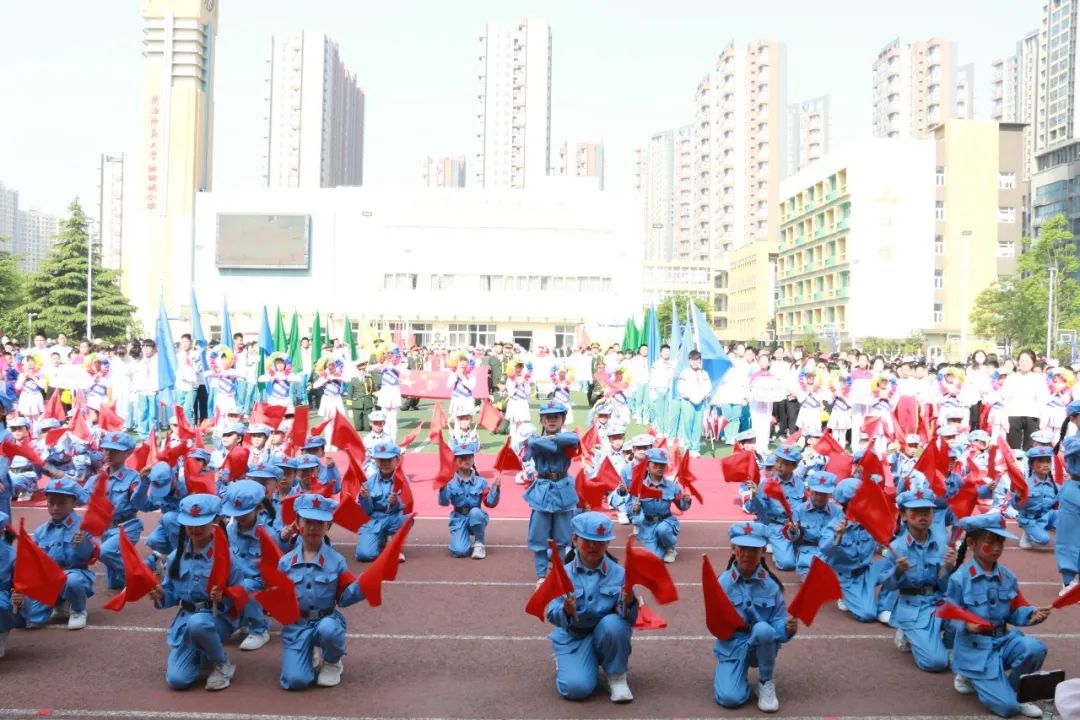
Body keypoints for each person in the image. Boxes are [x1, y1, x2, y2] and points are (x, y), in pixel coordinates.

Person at [946, 512, 1052, 718]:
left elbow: (1014, 611)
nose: (996, 548)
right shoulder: (960, 579)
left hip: (1002, 642)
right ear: (972, 543)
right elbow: (950, 613)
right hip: (974, 650)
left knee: (1035, 648)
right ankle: (969, 676)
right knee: (1008, 708)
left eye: (1000, 542)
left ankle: (1016, 691)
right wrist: (967, 626)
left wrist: (1031, 615)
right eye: (990, 542)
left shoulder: (1007, 577)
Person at [147, 494, 245, 691]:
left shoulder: (225, 557)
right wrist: (160, 595)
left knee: (198, 623)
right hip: (187, 622)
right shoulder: (176, 557)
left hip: (217, 619)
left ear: (216, 521)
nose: (194, 528)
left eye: (201, 523)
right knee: (177, 680)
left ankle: (222, 662)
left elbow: (241, 595)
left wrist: (224, 595)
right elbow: (172, 594)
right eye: (189, 523)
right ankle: (204, 652)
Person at [544, 511, 637, 703]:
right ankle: (575, 661)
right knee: (576, 689)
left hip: (605, 634)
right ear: (575, 539)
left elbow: (629, 620)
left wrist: (629, 603)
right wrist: (566, 611)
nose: (593, 546)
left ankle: (617, 676)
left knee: (615, 624)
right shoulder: (562, 574)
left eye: (600, 541)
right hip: (573, 637)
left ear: (608, 543)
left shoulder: (620, 574)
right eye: (587, 540)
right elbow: (551, 613)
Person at [278, 493, 368, 690]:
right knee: (296, 681)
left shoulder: (336, 561)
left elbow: (344, 597)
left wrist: (366, 585)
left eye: (319, 523)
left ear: (329, 526)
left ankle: (332, 661)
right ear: (297, 523)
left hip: (324, 620)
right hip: (297, 627)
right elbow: (279, 597)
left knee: (329, 628)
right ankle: (305, 651)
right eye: (308, 522)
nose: (312, 528)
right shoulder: (285, 563)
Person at [712, 521, 797, 713]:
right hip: (732, 645)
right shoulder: (721, 583)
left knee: (764, 629)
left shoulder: (771, 585)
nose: (748, 554)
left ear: (763, 552)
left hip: (762, 643)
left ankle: (765, 681)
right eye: (743, 548)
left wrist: (786, 628)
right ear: (734, 549)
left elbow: (776, 618)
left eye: (754, 549)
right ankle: (734, 675)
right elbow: (715, 622)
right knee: (730, 699)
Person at [878, 489, 956, 673]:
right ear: (903, 516)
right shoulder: (896, 547)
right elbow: (888, 585)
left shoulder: (941, 546)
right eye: (916, 511)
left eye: (927, 511)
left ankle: (946, 644)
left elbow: (946, 588)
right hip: (912, 608)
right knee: (936, 663)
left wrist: (949, 569)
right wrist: (897, 571)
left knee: (969, 614)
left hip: (937, 603)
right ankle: (909, 634)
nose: (923, 515)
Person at [17, 477, 96, 631]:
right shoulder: (41, 531)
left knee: (73, 581)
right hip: (50, 578)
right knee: (31, 618)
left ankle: (78, 610)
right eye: (51, 502)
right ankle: (59, 603)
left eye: (62, 503)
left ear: (74, 503)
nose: (55, 508)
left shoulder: (83, 526)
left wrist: (82, 544)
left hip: (75, 572)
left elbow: (89, 556)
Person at [523, 400, 580, 583]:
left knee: (562, 538)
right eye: (548, 417)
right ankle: (541, 577)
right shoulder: (535, 440)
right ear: (542, 421)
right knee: (538, 537)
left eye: (556, 417)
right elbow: (532, 444)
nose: (552, 420)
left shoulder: (567, 437)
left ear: (563, 419)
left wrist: (553, 439)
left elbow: (574, 439)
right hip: (542, 491)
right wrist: (551, 442)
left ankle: (560, 576)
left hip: (563, 489)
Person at [92, 432, 153, 590]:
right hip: (106, 529)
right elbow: (82, 496)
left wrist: (144, 483)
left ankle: (139, 574)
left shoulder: (133, 477)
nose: (109, 454)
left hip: (126, 526)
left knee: (104, 552)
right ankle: (149, 564)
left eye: (115, 451)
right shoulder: (98, 477)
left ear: (128, 453)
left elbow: (139, 502)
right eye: (106, 450)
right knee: (114, 584)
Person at [819, 478, 885, 624]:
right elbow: (826, 549)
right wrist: (838, 536)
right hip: (847, 577)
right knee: (867, 615)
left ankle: (885, 606)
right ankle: (842, 594)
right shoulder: (837, 524)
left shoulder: (869, 522)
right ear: (847, 504)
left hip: (867, 571)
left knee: (901, 564)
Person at [222, 479, 274, 652]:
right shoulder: (229, 530)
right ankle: (241, 621)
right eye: (236, 512)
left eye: (244, 513)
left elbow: (275, 565)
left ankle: (260, 629)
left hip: (259, 582)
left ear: (258, 508)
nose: (239, 517)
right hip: (236, 578)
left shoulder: (267, 534)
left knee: (246, 587)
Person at [437, 441, 500, 559]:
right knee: (460, 551)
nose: (466, 460)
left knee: (475, 512)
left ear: (473, 459)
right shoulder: (450, 483)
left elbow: (490, 503)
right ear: (455, 460)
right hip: (459, 518)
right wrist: (442, 487)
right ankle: (461, 539)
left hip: (476, 517)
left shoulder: (481, 481)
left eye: (469, 456)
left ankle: (479, 543)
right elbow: (444, 503)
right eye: (462, 457)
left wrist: (495, 489)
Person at [746, 445, 804, 571]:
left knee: (816, 557)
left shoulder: (800, 484)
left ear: (794, 466)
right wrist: (755, 496)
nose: (779, 465)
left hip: (797, 527)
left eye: (785, 463)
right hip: (778, 527)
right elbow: (758, 510)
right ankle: (774, 545)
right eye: (778, 461)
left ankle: (787, 549)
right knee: (788, 564)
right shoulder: (766, 484)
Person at [629, 448, 691, 563]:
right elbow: (632, 510)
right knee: (653, 559)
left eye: (663, 464)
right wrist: (635, 509)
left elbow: (682, 506)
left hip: (666, 522)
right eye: (656, 464)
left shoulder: (672, 486)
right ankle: (658, 545)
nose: (660, 467)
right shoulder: (639, 487)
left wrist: (687, 501)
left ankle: (670, 548)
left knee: (662, 530)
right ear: (647, 466)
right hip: (649, 525)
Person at [354, 442, 408, 562]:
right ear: (375, 461)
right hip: (374, 519)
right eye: (381, 460)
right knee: (365, 555)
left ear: (397, 460)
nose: (385, 463)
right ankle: (380, 539)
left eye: (389, 460)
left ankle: (395, 546)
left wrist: (395, 502)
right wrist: (365, 498)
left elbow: (407, 505)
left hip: (394, 518)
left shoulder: (402, 481)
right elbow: (366, 511)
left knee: (406, 519)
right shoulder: (368, 482)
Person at [788, 471, 842, 579]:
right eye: (817, 493)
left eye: (824, 494)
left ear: (830, 494)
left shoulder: (837, 512)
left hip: (829, 553)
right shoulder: (800, 510)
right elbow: (794, 539)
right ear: (810, 491)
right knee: (812, 580)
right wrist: (793, 532)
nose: (820, 497)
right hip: (808, 552)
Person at [1012, 446, 1059, 550]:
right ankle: (1027, 533)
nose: (1046, 464)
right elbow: (1016, 507)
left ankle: (1044, 529)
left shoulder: (1054, 485)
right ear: (1031, 465)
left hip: (1047, 516)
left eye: (1048, 461)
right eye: (1040, 461)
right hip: (1030, 519)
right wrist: (1018, 497)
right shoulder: (1025, 485)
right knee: (1044, 540)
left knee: (1065, 517)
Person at [1055, 435, 1080, 596]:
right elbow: (1072, 449)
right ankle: (1069, 582)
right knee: (1069, 538)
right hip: (1075, 488)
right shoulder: (1073, 440)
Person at [677, 351, 712, 457]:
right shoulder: (685, 373)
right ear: (689, 361)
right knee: (688, 425)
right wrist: (690, 397)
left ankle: (695, 448)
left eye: (697, 360)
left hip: (700, 402)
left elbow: (708, 386)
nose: (695, 362)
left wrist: (702, 396)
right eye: (693, 360)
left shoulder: (704, 373)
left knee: (697, 426)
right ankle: (687, 447)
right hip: (688, 401)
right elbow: (681, 387)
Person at [345, 360, 378, 432]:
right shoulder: (353, 380)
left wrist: (377, 397)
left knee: (368, 428)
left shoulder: (369, 379)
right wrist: (349, 409)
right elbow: (349, 395)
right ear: (357, 370)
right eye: (360, 370)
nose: (362, 371)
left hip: (367, 405)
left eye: (363, 369)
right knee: (358, 428)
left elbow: (374, 391)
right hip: (357, 406)